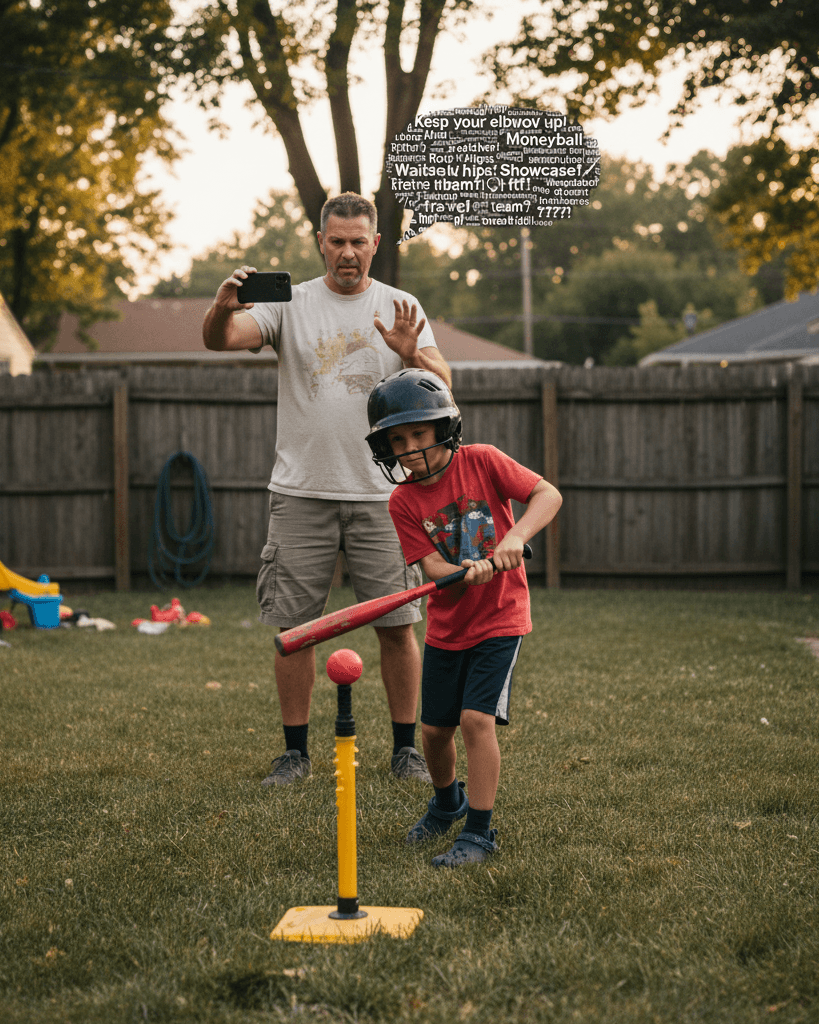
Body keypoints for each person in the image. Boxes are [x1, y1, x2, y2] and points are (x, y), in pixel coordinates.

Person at [202, 192, 451, 786]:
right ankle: (293, 754)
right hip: (301, 492)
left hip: (385, 495)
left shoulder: (400, 305)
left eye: (357, 242)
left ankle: (404, 751)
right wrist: (220, 306)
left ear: (375, 244)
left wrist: (412, 354)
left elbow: (445, 385)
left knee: (399, 626)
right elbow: (221, 340)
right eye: (335, 241)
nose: (346, 252)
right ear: (320, 243)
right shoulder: (290, 303)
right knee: (295, 628)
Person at [365, 368, 562, 867]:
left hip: (501, 617)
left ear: (443, 428)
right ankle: (447, 802)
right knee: (433, 732)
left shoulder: (483, 461)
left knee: (477, 720)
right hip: (447, 628)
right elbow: (430, 566)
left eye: (419, 434)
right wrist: (460, 572)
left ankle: (478, 832)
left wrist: (514, 537)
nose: (410, 449)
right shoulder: (403, 500)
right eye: (398, 440)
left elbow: (547, 495)